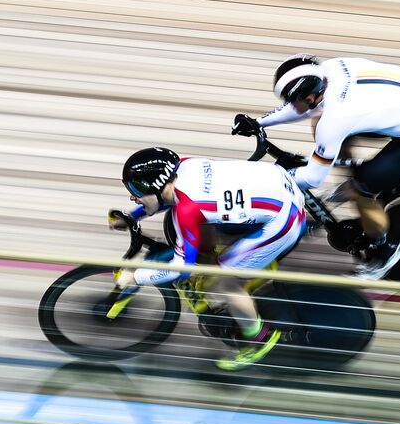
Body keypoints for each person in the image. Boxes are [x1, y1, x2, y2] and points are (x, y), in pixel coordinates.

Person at [232, 53, 400, 279]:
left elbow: (312, 178)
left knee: (361, 188)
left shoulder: (337, 118)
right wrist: (259, 122)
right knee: (323, 125)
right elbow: (304, 106)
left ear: (310, 95)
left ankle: (384, 251)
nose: (290, 104)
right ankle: (349, 180)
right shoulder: (328, 70)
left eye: (293, 99)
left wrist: (275, 178)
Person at [109, 147, 307, 371]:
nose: (132, 196)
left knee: (222, 283)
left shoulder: (187, 209)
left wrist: (136, 277)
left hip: (284, 221)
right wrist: (132, 217)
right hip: (281, 187)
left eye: (137, 189)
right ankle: (230, 272)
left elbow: (181, 269)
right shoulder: (183, 165)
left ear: (159, 183)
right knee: (196, 227)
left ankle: (259, 339)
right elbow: (161, 198)